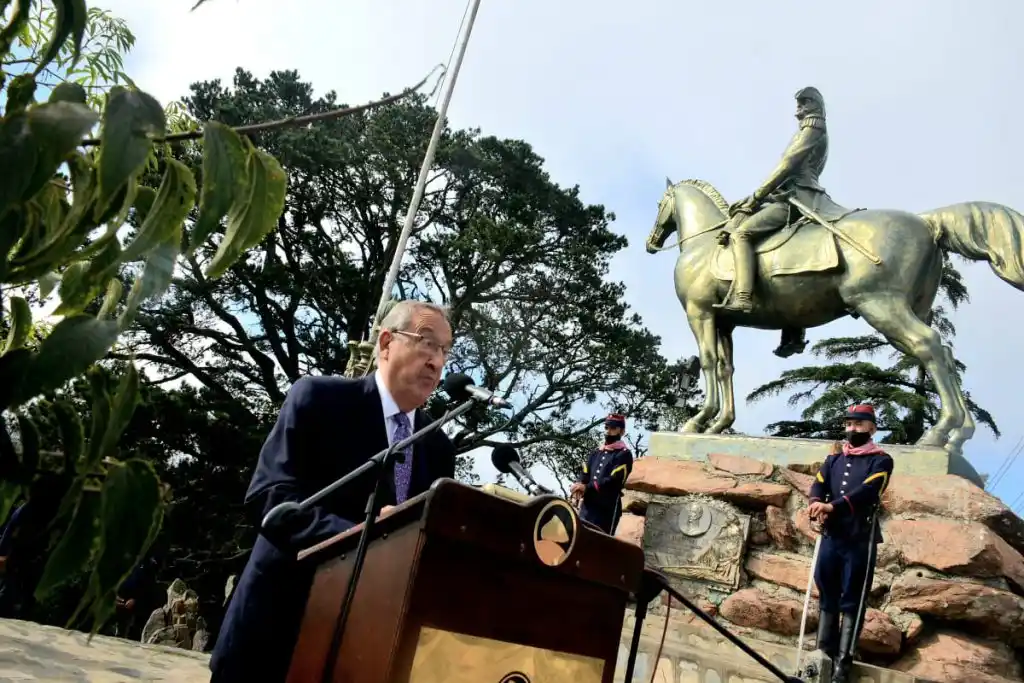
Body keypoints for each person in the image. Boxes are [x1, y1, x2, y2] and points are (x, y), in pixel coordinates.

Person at [210, 300, 457, 682]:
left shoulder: (438, 448)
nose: (436, 362)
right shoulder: (319, 400)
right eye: (426, 343)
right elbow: (271, 499)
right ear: (387, 342)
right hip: (277, 633)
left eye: (445, 350)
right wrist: (367, 536)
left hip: (363, 652)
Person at [718, 86, 831, 359]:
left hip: (796, 199)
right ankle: (792, 328)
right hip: (791, 195)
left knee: (742, 234)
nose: (798, 111)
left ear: (815, 105)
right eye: (798, 105)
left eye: (803, 104)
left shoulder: (812, 128)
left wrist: (757, 196)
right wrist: (750, 201)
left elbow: (787, 165)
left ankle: (742, 296)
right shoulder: (811, 129)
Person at [808, 404, 893, 683]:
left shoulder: (881, 460)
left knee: (852, 600)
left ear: (871, 428)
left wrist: (833, 507)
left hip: (859, 538)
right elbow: (818, 485)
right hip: (832, 536)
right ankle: (822, 656)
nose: (852, 429)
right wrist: (815, 504)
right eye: (849, 424)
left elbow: (869, 491)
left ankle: (843, 666)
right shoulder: (833, 460)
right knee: (827, 592)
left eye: (859, 424)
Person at [569, 413, 634, 534]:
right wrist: (579, 486)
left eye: (613, 428)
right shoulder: (596, 452)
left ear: (622, 432)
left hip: (606, 509)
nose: (608, 431)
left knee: (598, 547)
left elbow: (614, 481)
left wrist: (587, 487)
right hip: (587, 507)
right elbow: (585, 472)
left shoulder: (624, 454)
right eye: (607, 428)